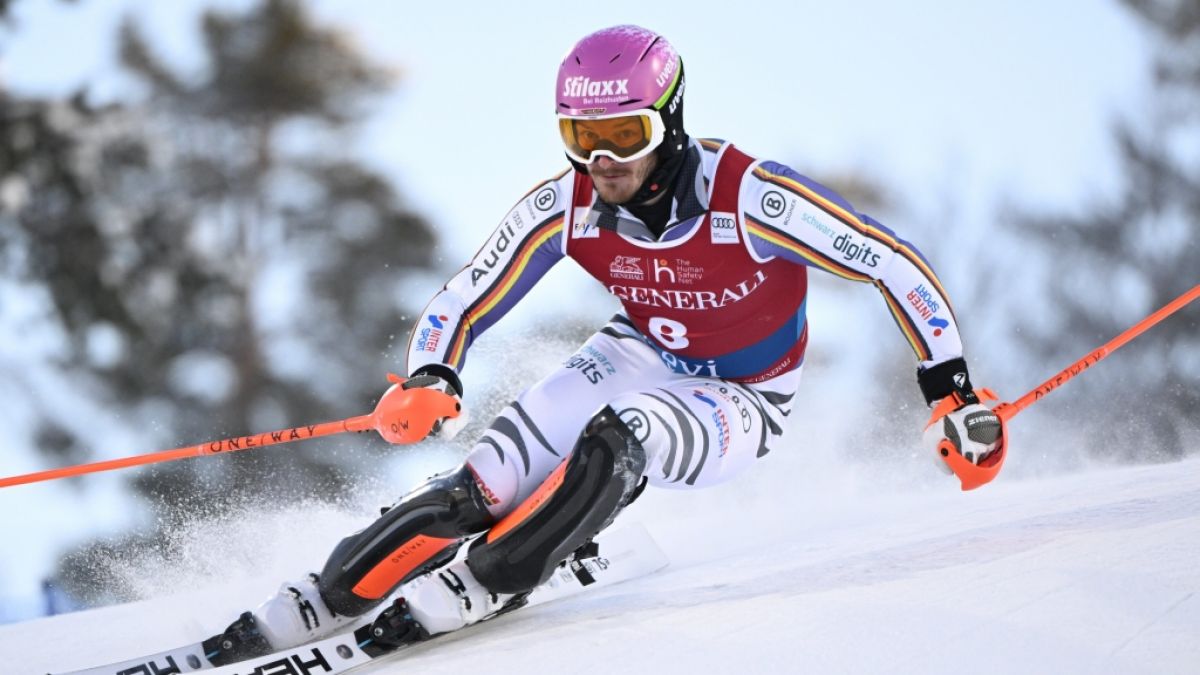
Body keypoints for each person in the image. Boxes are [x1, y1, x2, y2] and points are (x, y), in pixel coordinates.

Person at [203, 24, 1002, 662]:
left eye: (625, 132)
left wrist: (953, 392)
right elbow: (466, 293)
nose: (603, 158)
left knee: (628, 437)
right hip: (637, 350)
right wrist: (433, 374)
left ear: (671, 121)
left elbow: (890, 262)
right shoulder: (571, 201)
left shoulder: (750, 196)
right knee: (482, 480)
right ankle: (322, 595)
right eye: (581, 134)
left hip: (743, 395)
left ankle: (490, 578)